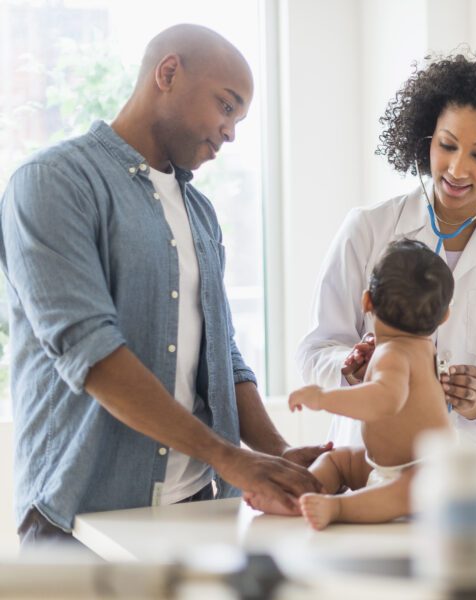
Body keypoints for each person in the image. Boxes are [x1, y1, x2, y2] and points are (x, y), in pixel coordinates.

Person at [0, 24, 328, 548]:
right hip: (81, 521)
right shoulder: (52, 183)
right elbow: (91, 351)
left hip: (202, 514)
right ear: (168, 73)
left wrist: (275, 454)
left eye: (239, 120)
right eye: (226, 106)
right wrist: (228, 455)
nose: (230, 132)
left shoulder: (200, 213)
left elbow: (223, 356)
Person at [297, 53, 476, 446]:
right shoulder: (368, 228)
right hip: (366, 462)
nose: (456, 169)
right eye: (447, 145)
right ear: (427, 138)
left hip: (467, 476)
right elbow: (316, 349)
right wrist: (350, 369)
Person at [245, 239, 454, 529]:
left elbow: (384, 400)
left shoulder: (393, 354)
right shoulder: (423, 348)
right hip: (384, 466)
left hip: (420, 475)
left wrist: (323, 398)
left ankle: (336, 506)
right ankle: (300, 495)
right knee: (338, 460)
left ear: (367, 301)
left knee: (404, 492)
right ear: (444, 316)